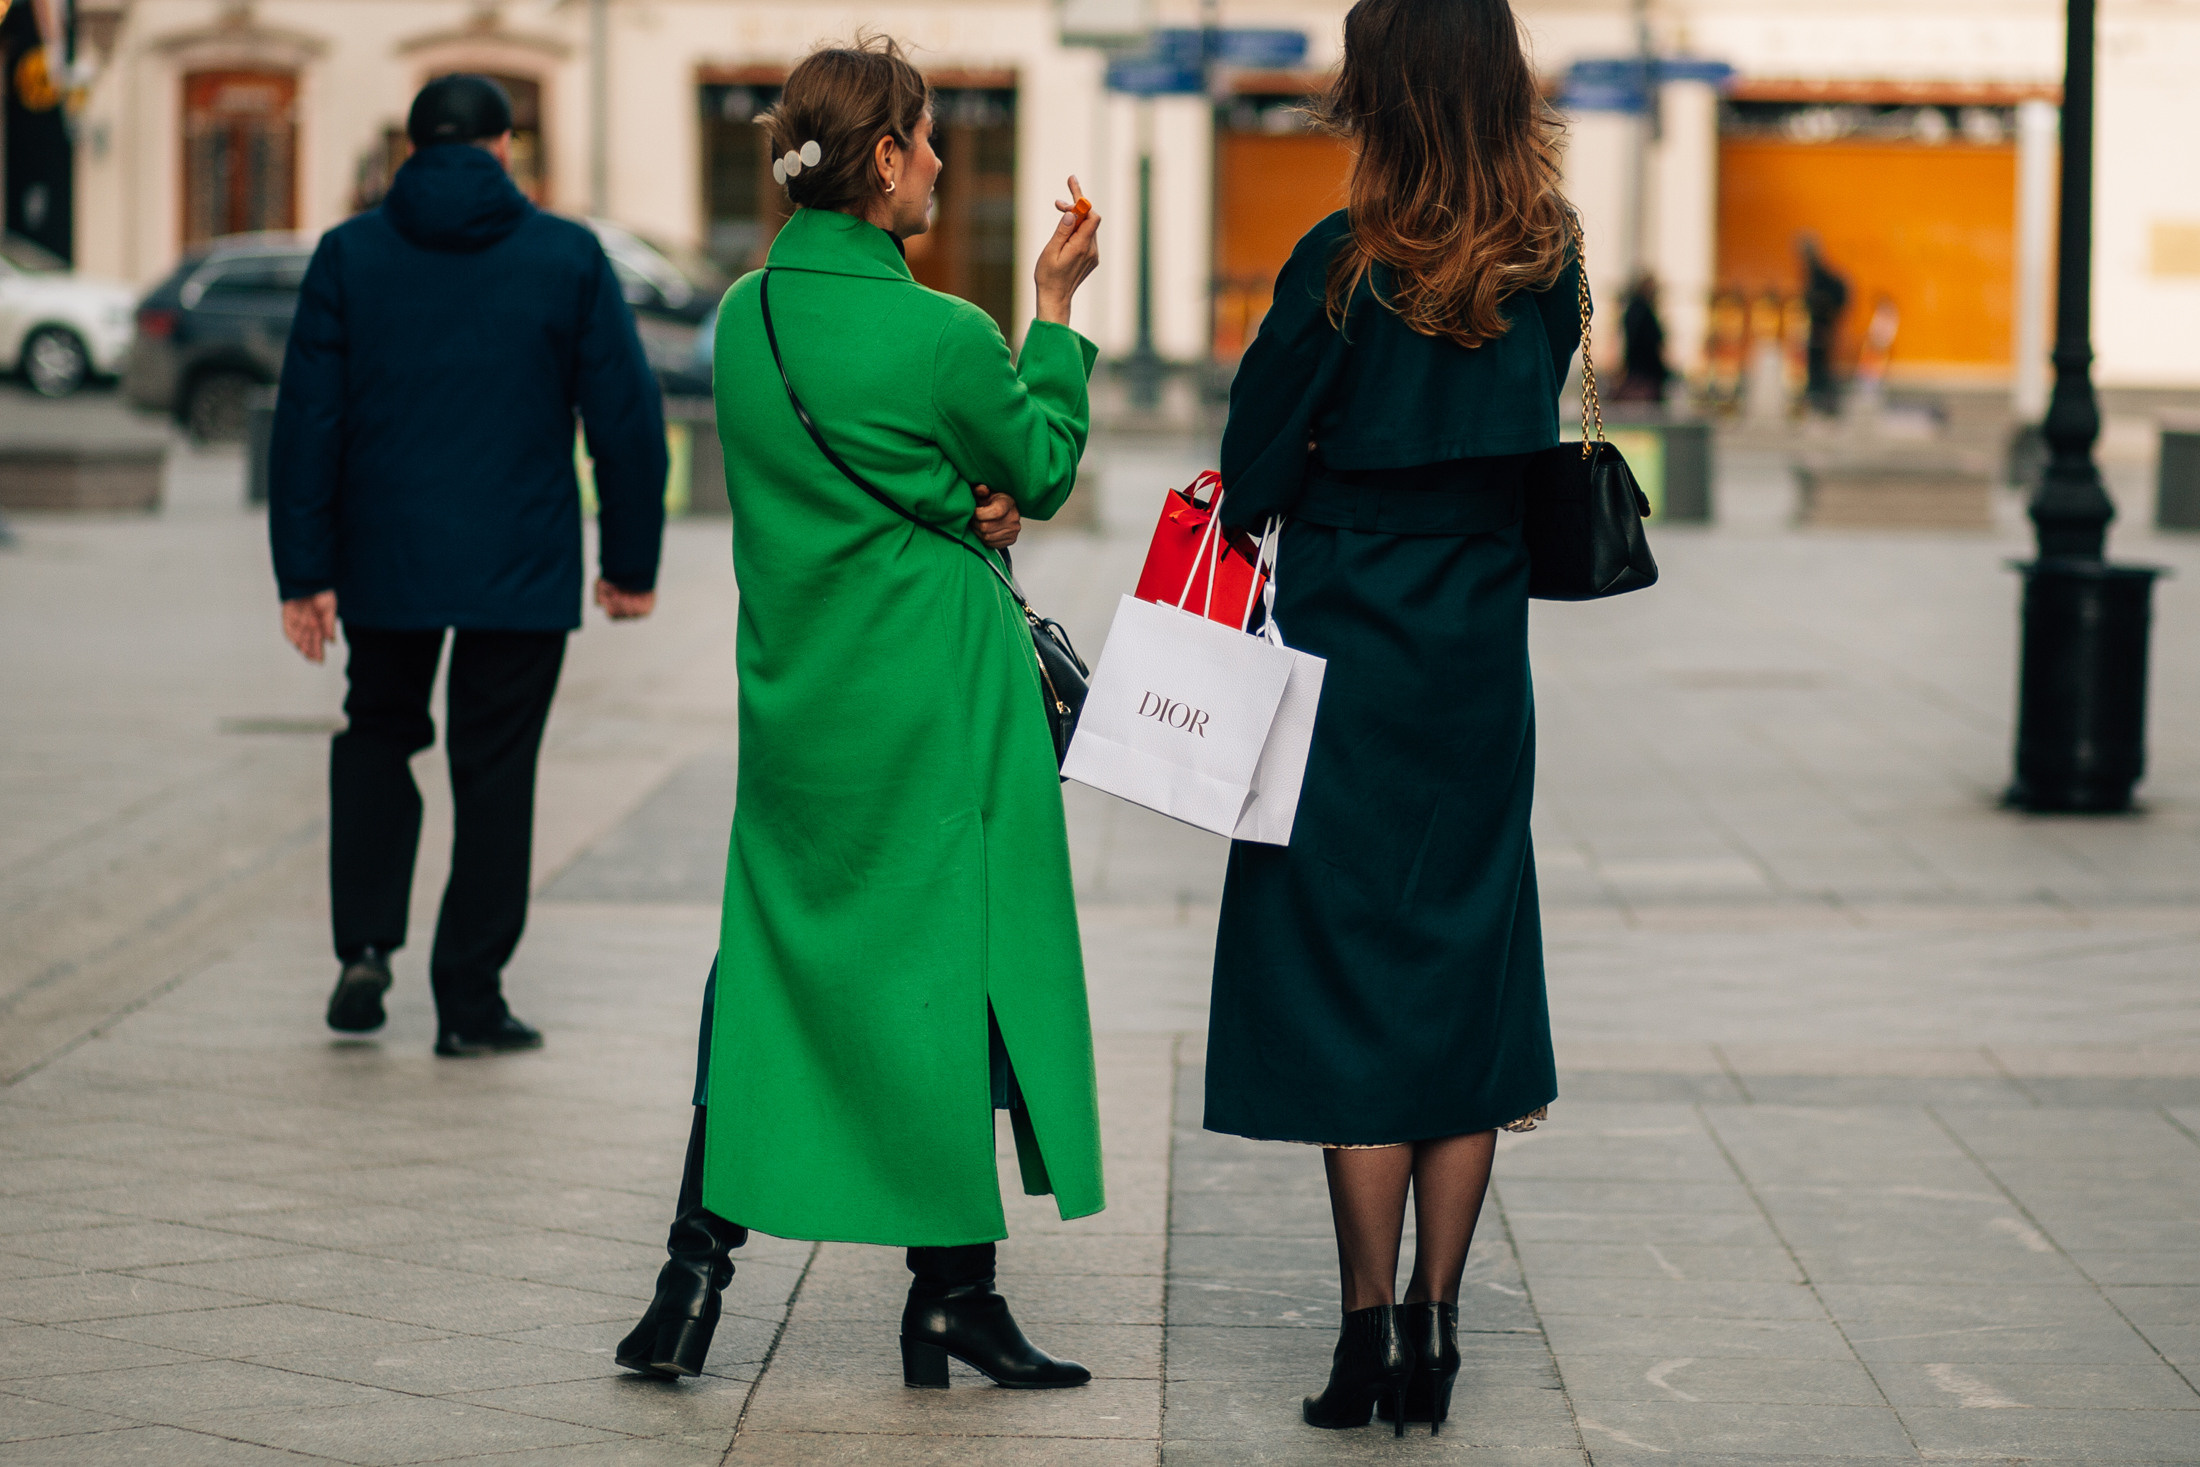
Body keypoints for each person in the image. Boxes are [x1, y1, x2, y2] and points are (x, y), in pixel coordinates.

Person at [614, 36, 1107, 1387]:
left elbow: (847, 473)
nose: (941, 159)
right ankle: (952, 1293)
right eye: (929, 137)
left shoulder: (743, 315)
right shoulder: (947, 334)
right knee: (961, 970)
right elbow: (1044, 464)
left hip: (799, 708)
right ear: (881, 158)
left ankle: (691, 1276)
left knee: (774, 971)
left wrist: (962, 492)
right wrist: (1053, 307)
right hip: (938, 707)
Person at [1202, 0, 1573, 1435]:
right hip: (1478, 652)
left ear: (1385, 92)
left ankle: (1364, 1331)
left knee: (1353, 970)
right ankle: (1437, 1321)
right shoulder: (1550, 259)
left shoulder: (1338, 264)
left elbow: (1250, 467)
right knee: (1460, 965)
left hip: (1344, 648)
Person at [269, 75, 667, 1057]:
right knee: (493, 769)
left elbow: (305, 425)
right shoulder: (566, 255)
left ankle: (365, 943)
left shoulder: (349, 254)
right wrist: (628, 561)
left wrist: (303, 574)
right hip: (519, 565)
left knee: (378, 730)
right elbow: (626, 421)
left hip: (387, 560)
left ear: (412, 148)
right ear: (501, 146)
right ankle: (468, 998)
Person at [1800, 234, 1850, 416]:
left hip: (1821, 327)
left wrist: (1826, 313)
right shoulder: (1815, 272)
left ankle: (1823, 400)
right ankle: (1819, 398)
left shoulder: (1820, 274)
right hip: (1817, 327)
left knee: (1821, 363)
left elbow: (1825, 298)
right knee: (1817, 362)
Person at [1617, 272, 1669, 404]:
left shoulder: (1633, 311)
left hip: (1637, 369)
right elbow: (1654, 343)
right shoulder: (1644, 313)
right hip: (1645, 372)